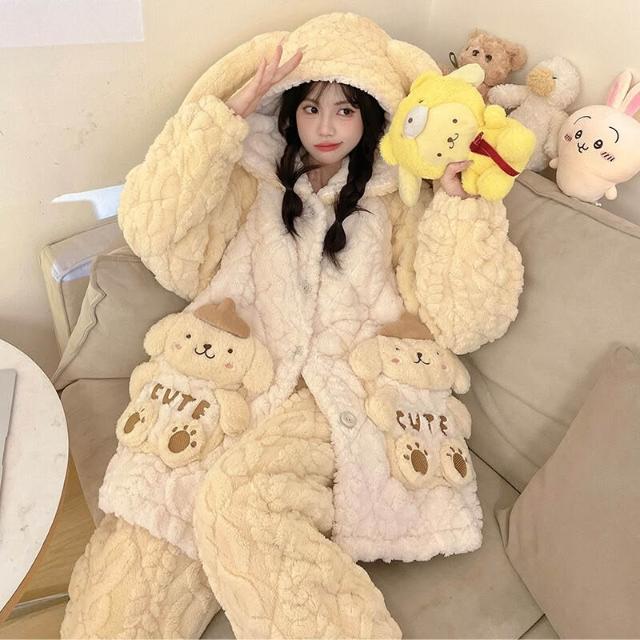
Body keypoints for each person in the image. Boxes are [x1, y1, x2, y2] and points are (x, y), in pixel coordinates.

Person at [61, 13, 523, 639]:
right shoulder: (249, 181)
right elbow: (154, 231)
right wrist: (224, 118)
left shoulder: (399, 201)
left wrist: (460, 202)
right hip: (237, 379)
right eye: (310, 108)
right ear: (288, 112)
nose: (326, 127)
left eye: (345, 110)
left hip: (340, 399)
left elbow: (464, 319)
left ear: (372, 116)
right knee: (140, 555)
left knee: (242, 505)